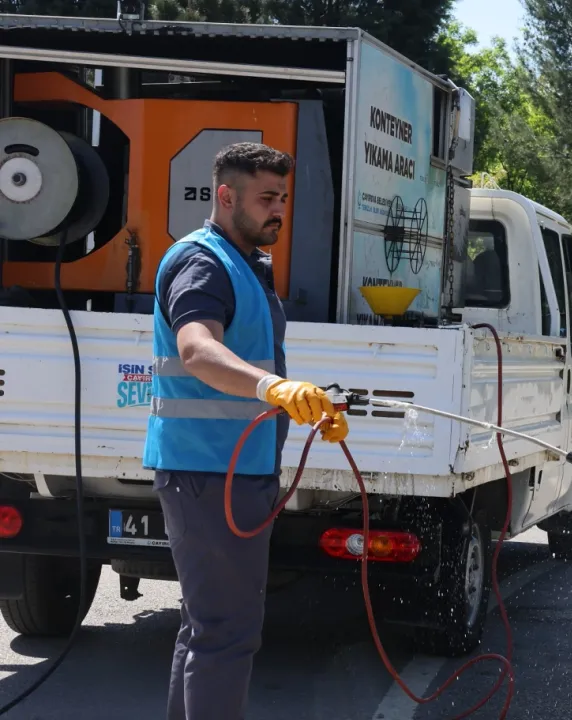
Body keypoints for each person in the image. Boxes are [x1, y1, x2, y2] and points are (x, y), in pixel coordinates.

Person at [141, 142, 348, 720]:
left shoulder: (245, 262)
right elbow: (197, 349)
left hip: (228, 471)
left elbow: (247, 359)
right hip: (208, 472)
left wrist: (305, 403)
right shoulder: (202, 263)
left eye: (283, 197)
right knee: (226, 633)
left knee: (207, 628)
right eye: (266, 198)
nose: (278, 209)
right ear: (226, 196)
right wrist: (274, 389)